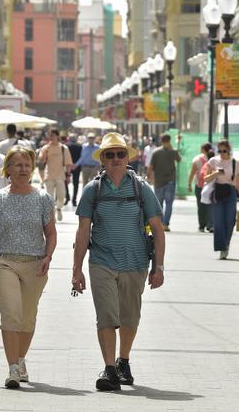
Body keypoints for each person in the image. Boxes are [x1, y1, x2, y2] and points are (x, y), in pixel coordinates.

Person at [71, 132, 165, 392]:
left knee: (129, 317)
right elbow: (82, 231)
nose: (115, 159)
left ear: (127, 157)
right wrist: (76, 268)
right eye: (109, 154)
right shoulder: (93, 189)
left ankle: (124, 361)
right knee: (105, 316)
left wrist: (159, 267)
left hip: (135, 262)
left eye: (120, 154)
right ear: (102, 159)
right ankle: (110, 368)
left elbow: (157, 228)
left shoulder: (141, 188)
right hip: (101, 260)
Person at [0, 146, 56, 389]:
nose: (23, 170)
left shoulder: (43, 198)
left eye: (27, 165)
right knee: (11, 313)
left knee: (27, 318)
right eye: (18, 165)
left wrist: (48, 256)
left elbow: (51, 234)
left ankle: (21, 360)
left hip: (35, 265)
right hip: (4, 263)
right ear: (7, 169)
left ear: (32, 169)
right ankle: (12, 369)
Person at [205, 139, 239, 259]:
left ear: (229, 150)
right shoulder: (213, 161)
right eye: (220, 150)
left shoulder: (235, 162)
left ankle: (226, 244)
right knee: (218, 222)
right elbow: (206, 179)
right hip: (218, 192)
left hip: (231, 192)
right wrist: (215, 173)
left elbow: (238, 181)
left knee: (230, 221)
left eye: (225, 150)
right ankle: (221, 248)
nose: (222, 153)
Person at [147, 133, 181, 232]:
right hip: (170, 181)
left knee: (159, 204)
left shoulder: (156, 152)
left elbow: (151, 166)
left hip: (158, 181)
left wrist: (149, 177)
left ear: (161, 141)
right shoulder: (173, 151)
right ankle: (166, 224)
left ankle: (160, 224)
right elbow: (179, 159)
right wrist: (173, 148)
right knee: (169, 204)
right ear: (169, 141)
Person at [38, 128, 73, 222]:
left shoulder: (63, 148)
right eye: (50, 135)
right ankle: (51, 215)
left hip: (60, 176)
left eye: (53, 135)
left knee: (61, 195)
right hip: (49, 175)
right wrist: (45, 151)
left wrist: (69, 175)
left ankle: (59, 208)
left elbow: (68, 163)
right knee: (49, 197)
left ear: (57, 136)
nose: (51, 137)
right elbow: (41, 161)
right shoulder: (46, 148)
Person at [188, 142, 213, 232]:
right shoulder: (214, 158)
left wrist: (189, 184)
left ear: (203, 149)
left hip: (199, 185)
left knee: (200, 206)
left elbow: (192, 172)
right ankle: (210, 224)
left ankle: (202, 225)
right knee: (210, 205)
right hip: (211, 185)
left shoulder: (197, 159)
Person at [65, 133, 82, 206]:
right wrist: (76, 164)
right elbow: (82, 156)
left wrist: (68, 165)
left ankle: (67, 197)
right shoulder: (80, 146)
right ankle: (74, 200)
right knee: (76, 184)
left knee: (65, 182)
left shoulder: (66, 146)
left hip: (67, 166)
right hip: (76, 166)